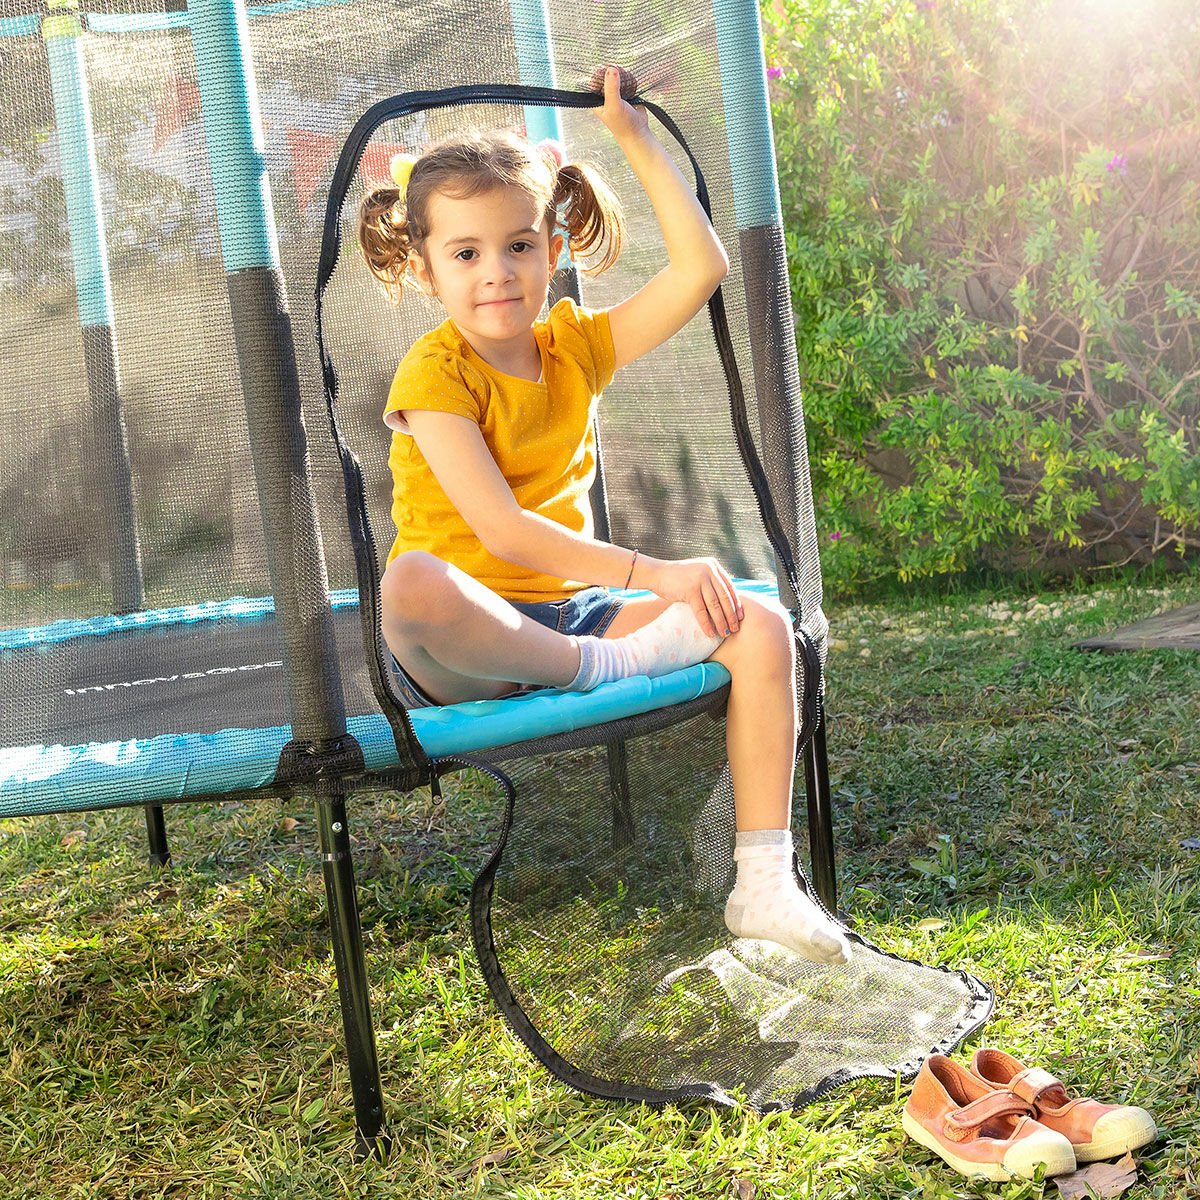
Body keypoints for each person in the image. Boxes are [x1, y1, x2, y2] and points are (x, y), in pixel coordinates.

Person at [357, 65, 850, 966]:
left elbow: (702, 268)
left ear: (552, 247)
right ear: (426, 269)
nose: (496, 273)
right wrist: (656, 578)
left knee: (763, 627)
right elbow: (501, 532)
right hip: (465, 644)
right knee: (412, 582)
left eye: (517, 246)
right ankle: (597, 667)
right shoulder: (435, 378)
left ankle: (766, 885)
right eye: (465, 254)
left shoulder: (575, 343)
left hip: (574, 612)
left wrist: (635, 142)